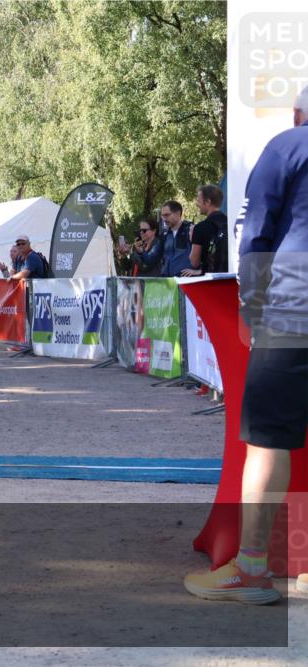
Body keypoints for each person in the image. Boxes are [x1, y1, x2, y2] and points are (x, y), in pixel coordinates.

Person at [183, 85, 308, 605]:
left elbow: (256, 233)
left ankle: (253, 569)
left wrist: (249, 306)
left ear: (300, 112)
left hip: (294, 309)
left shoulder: (287, 146)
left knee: (267, 440)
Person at [184, 184, 229, 276]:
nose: (197, 204)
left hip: (211, 281)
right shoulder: (230, 223)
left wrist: (192, 238)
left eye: (199, 201)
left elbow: (194, 262)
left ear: (208, 202)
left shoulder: (200, 227)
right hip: (231, 278)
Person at [158, 200, 193, 277]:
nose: (164, 219)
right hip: (167, 281)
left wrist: (199, 271)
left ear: (178, 213)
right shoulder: (164, 235)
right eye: (162, 216)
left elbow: (205, 255)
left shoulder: (191, 230)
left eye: (167, 215)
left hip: (185, 281)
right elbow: (156, 257)